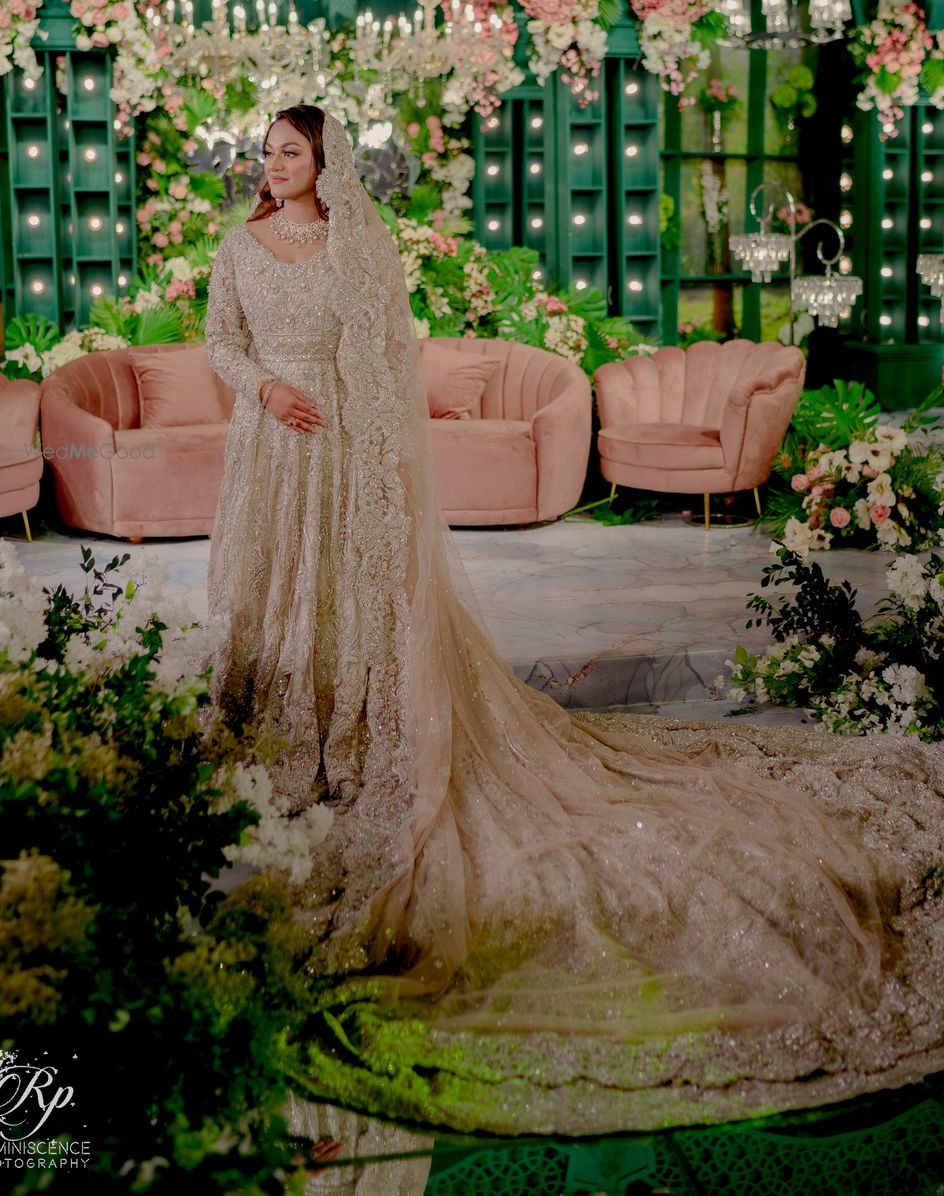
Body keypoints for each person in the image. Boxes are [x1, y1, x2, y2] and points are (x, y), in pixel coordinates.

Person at [202, 104, 944, 1137]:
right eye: (267, 153)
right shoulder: (237, 246)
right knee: (281, 596)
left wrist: (382, 478)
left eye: (290, 152)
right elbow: (219, 343)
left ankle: (359, 718)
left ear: (326, 165)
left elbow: (384, 363)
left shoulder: (359, 244)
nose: (271, 166)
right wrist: (269, 392)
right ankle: (285, 717)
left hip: (349, 449)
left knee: (355, 600)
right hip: (275, 449)